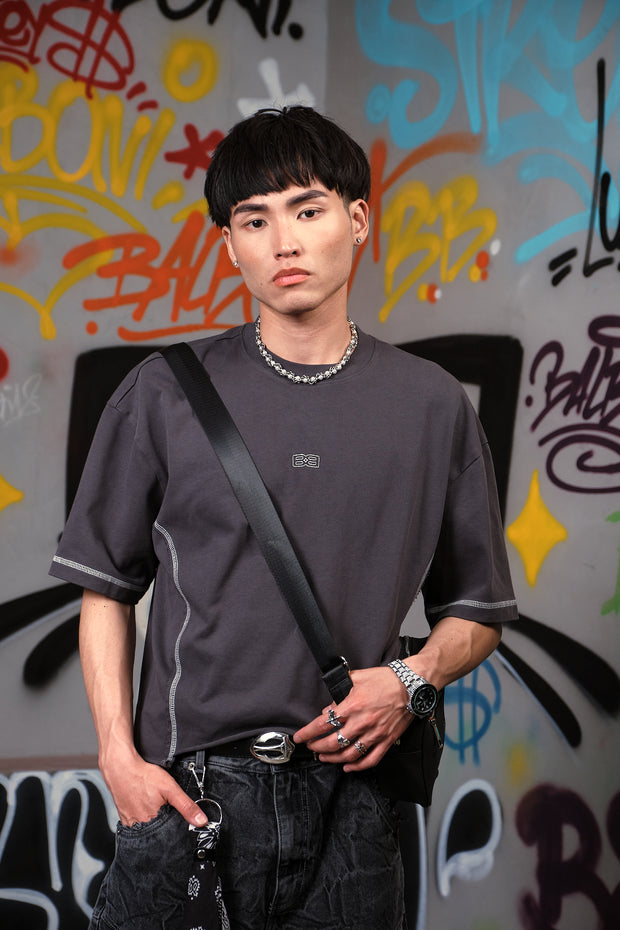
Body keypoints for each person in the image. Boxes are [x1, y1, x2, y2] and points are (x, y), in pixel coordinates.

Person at [49, 106, 518, 930]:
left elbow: (477, 611)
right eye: (254, 220)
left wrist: (412, 681)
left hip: (356, 801)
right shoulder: (164, 393)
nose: (284, 242)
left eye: (307, 210)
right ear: (231, 245)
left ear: (357, 220)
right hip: (191, 794)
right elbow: (105, 589)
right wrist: (117, 756)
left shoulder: (431, 404)